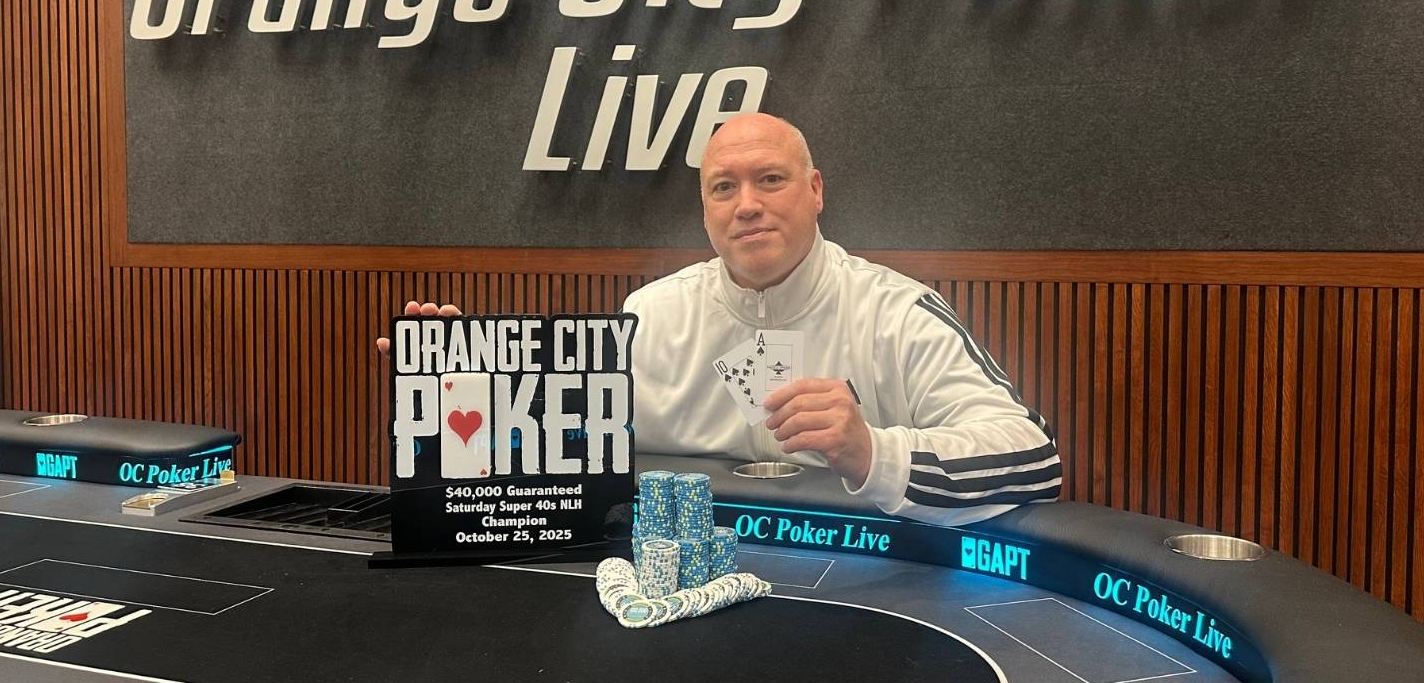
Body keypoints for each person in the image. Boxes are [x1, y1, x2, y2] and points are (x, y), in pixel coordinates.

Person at [379, 114, 1061, 525]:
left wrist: (872, 451)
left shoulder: (897, 313)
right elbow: (556, 453)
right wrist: (465, 395)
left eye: (770, 180)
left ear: (815, 191)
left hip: (875, 590)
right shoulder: (649, 317)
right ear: (704, 209)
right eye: (723, 188)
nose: (747, 205)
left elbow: (1033, 462)